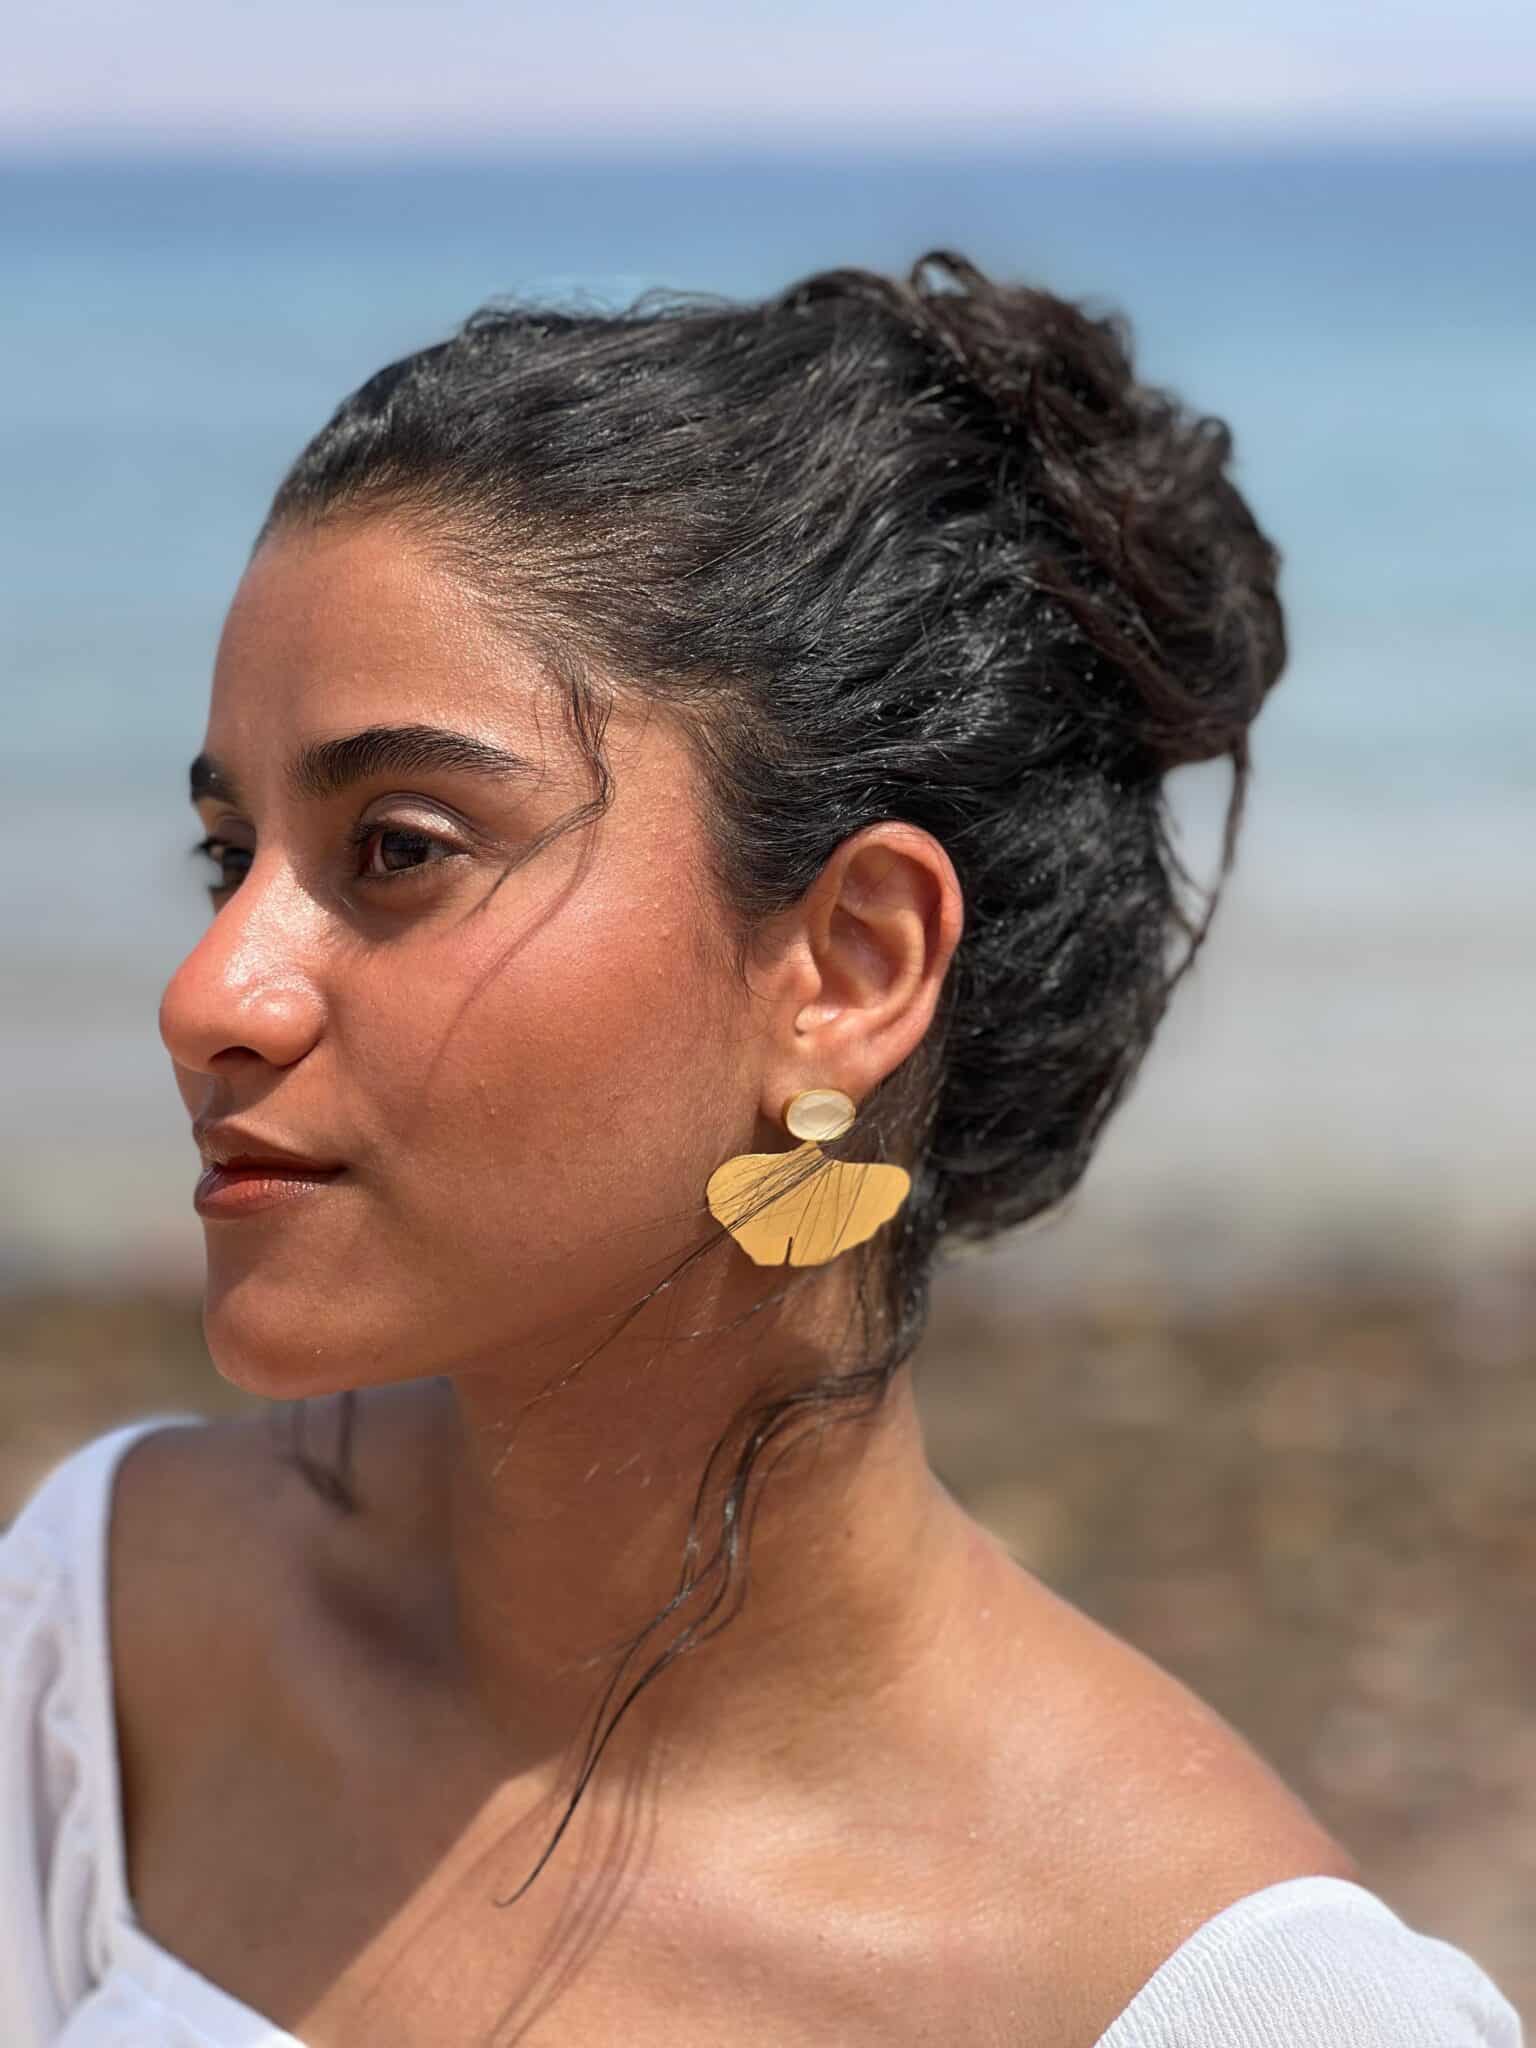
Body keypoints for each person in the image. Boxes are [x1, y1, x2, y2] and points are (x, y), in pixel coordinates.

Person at [0, 253, 1522, 2047]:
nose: (207, 995)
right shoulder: (108, 1633)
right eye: (227, 856)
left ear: (849, 967)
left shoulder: (1223, 2002)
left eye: (399, 848)